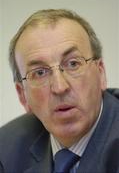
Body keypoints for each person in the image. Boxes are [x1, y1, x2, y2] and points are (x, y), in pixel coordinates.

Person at [0, 9, 119, 173]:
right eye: (40, 73)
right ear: (23, 96)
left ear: (101, 74)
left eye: (73, 64)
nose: (60, 87)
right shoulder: (5, 150)